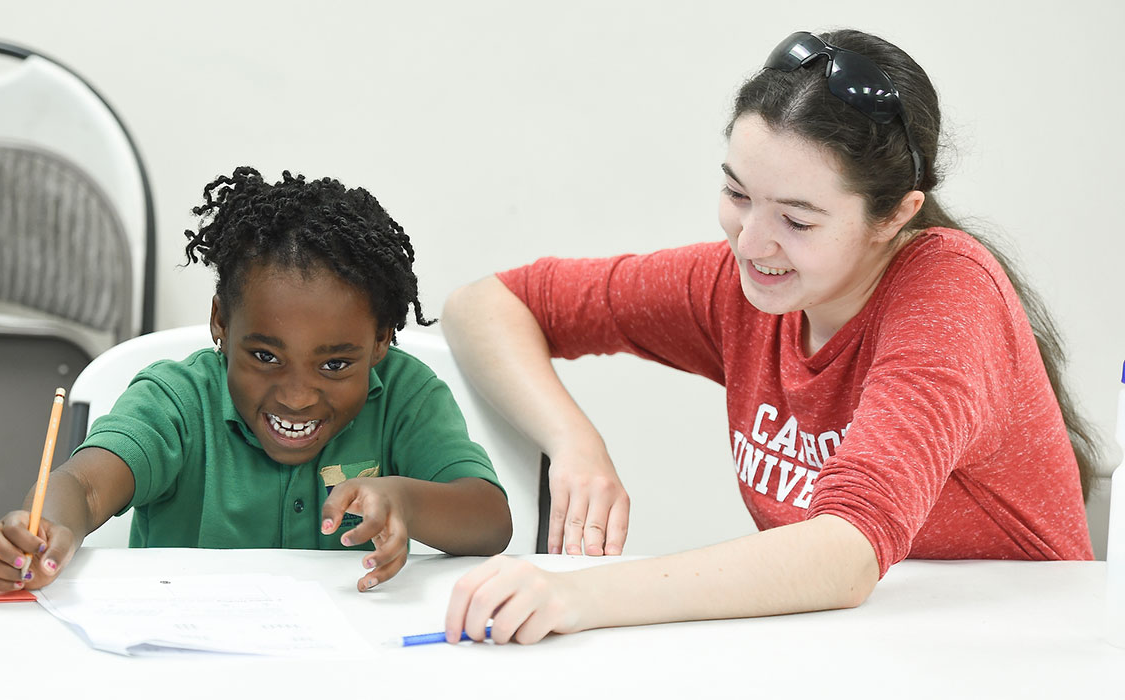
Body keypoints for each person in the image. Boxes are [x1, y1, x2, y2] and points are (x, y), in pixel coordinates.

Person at [440, 29, 1099, 644]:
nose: (752, 243)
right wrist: (572, 444)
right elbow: (483, 306)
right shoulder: (748, 286)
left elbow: (845, 553)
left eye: (798, 220)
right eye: (737, 193)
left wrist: (573, 596)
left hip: (1023, 649)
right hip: (857, 646)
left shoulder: (949, 293)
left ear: (894, 216)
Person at [0, 167, 511, 593]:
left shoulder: (405, 396)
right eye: (264, 356)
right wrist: (45, 531)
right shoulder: (177, 400)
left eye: (334, 365)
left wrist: (405, 501)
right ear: (221, 321)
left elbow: (489, 519)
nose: (298, 396)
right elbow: (85, 485)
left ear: (380, 341)